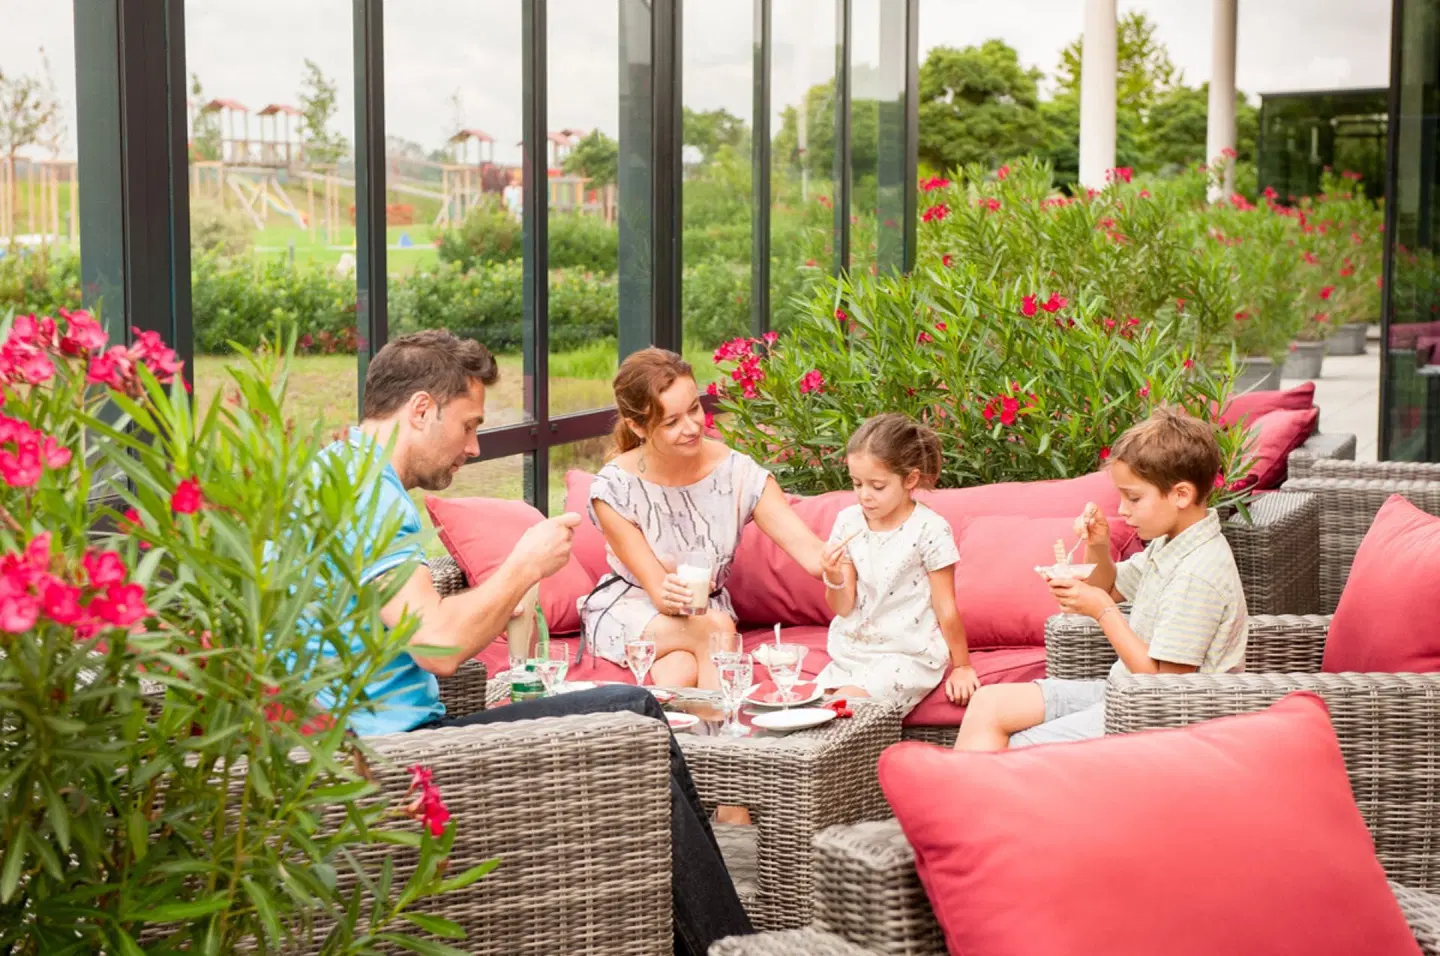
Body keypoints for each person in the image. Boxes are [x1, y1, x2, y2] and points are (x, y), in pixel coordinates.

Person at [312, 329, 752, 955]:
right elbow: (435, 645)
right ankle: (731, 945)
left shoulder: (340, 472)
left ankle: (708, 938)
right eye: (468, 426)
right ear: (419, 410)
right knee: (630, 713)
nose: (473, 446)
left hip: (370, 738)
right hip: (388, 758)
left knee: (629, 717)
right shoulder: (367, 494)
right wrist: (523, 565)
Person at [953, 406, 1249, 751]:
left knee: (1014, 749)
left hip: (1157, 719)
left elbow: (1164, 689)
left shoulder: (1198, 574)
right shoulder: (1171, 545)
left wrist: (1103, 612)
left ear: (1181, 494)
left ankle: (972, 797)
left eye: (1134, 498)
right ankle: (962, 798)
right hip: (1122, 693)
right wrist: (1098, 545)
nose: (1123, 509)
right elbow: (1107, 587)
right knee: (989, 703)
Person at [583, 348, 828, 688]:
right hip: (632, 609)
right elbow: (657, 589)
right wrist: (676, 592)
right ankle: (723, 735)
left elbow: (813, 554)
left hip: (704, 613)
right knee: (715, 629)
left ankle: (664, 738)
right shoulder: (613, 489)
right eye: (671, 422)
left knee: (680, 668)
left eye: (694, 409)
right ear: (637, 426)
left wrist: (855, 550)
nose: (692, 427)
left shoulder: (738, 474)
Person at [814, 414, 979, 714]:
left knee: (841, 708)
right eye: (856, 483)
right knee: (809, 710)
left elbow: (946, 608)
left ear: (910, 480)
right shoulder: (847, 522)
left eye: (877, 486)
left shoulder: (929, 530)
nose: (865, 495)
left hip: (907, 655)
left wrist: (963, 666)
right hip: (853, 654)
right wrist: (833, 575)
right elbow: (842, 606)